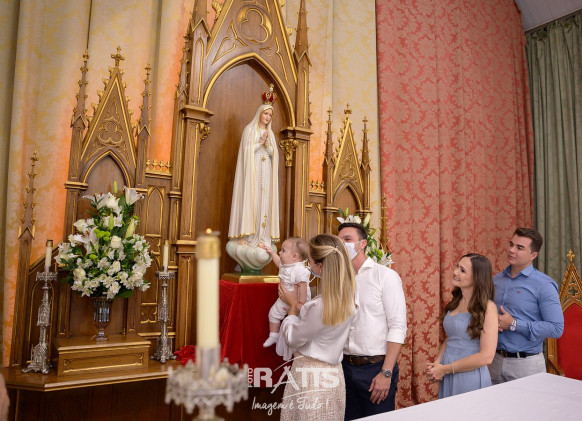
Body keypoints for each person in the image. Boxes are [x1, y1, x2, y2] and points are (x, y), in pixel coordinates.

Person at [276, 234, 358, 421]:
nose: (309, 266)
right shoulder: (347, 299)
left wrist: (292, 308)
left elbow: (292, 338)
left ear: (320, 267)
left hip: (311, 378)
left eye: (310, 262)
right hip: (333, 375)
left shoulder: (321, 306)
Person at [338, 222, 406, 419]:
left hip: (375, 368)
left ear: (362, 243)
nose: (342, 244)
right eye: (339, 241)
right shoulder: (339, 279)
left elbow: (398, 327)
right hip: (344, 367)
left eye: (347, 239)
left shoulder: (385, 276)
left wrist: (386, 372)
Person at [489, 227, 564, 384]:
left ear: (533, 255)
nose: (512, 250)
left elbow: (556, 328)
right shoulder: (497, 279)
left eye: (520, 247)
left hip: (526, 365)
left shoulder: (544, 285)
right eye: (511, 244)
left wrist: (514, 324)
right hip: (494, 360)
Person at [426, 253, 497, 397]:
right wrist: (437, 365)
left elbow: (486, 356)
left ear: (477, 278)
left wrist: (446, 369)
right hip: (448, 371)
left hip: (469, 375)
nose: (455, 272)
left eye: (462, 270)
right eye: (457, 266)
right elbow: (451, 338)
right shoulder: (455, 302)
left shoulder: (488, 307)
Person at [228, 95, 280, 250]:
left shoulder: (271, 134)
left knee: (264, 201)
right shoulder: (249, 130)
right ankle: (248, 235)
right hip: (253, 171)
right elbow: (246, 151)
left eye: (270, 115)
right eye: (266, 114)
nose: (268, 117)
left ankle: (262, 235)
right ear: (260, 113)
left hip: (266, 171)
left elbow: (274, 154)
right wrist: (260, 143)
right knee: (253, 199)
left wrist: (268, 145)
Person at [260, 237, 310, 347]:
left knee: (299, 320)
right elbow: (278, 262)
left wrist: (301, 303)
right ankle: (273, 335)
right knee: (273, 314)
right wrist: (272, 253)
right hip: (283, 298)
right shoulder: (285, 265)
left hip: (298, 299)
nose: (280, 252)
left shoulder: (299, 270)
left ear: (294, 256)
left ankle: (297, 340)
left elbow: (303, 286)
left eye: (283, 250)